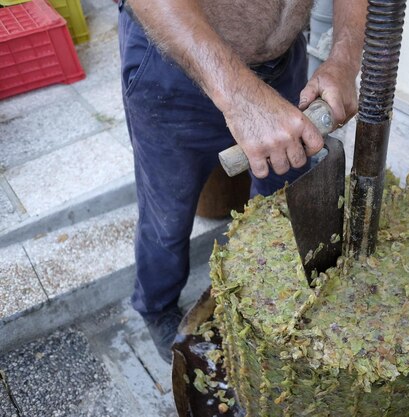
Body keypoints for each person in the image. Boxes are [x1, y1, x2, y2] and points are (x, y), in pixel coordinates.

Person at [117, 0, 367, 363]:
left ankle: (267, 301)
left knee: (281, 205)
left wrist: (345, 58)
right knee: (167, 215)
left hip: (282, 65)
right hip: (172, 62)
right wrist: (239, 96)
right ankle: (156, 307)